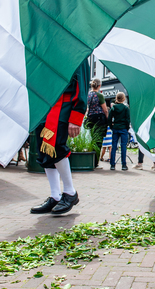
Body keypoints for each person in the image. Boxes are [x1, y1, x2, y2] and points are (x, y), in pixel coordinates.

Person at [30, 60, 89, 215]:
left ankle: (70, 192)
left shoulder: (78, 51)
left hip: (64, 104)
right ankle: (55, 195)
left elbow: (81, 87)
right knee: (44, 152)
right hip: (45, 105)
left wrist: (76, 117)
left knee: (56, 147)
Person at [84, 79, 108, 168]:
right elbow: (105, 109)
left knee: (92, 139)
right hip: (99, 119)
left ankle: (90, 161)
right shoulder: (99, 95)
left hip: (90, 118)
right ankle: (95, 162)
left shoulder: (88, 95)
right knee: (98, 140)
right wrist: (107, 119)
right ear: (99, 86)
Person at [108, 92, 131, 171]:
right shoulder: (126, 108)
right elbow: (128, 119)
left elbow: (109, 118)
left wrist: (112, 127)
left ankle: (112, 165)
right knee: (123, 146)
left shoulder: (113, 108)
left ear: (116, 98)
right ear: (124, 99)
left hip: (115, 128)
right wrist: (127, 128)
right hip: (123, 128)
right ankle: (124, 165)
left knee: (114, 146)